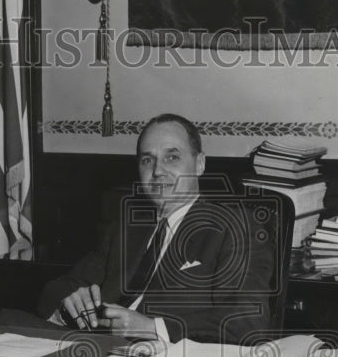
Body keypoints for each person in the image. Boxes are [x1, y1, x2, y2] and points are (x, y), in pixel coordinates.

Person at [36, 114, 277, 344]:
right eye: (147, 160)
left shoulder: (233, 229)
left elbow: (247, 323)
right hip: (99, 349)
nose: (158, 171)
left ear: (200, 164)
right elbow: (58, 289)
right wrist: (68, 303)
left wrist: (153, 328)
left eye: (172, 157)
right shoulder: (128, 228)